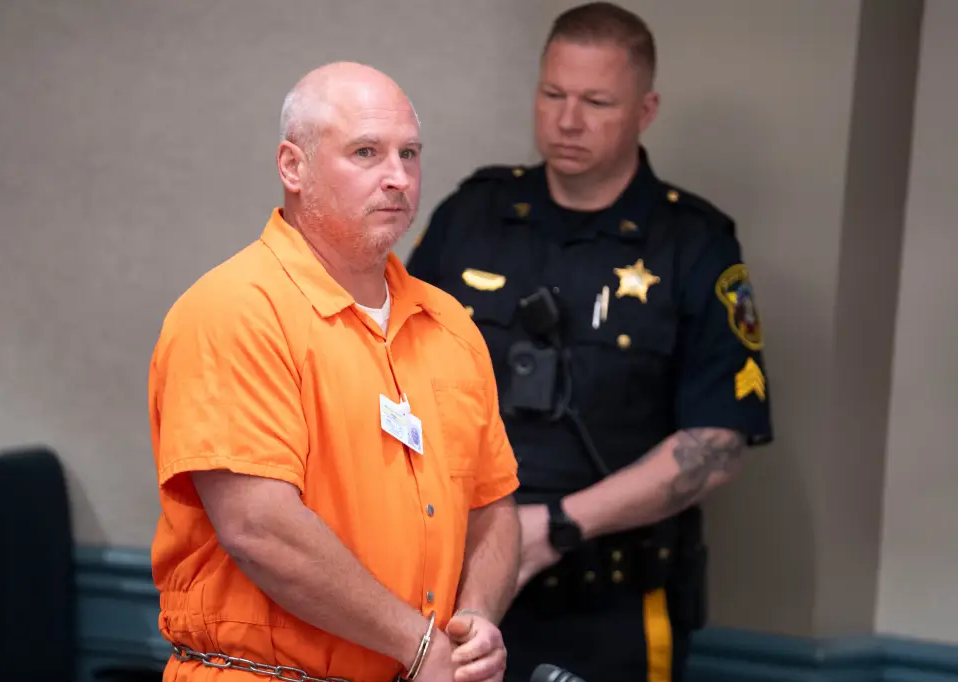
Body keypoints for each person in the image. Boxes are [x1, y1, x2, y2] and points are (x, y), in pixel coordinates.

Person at [406, 3, 774, 681]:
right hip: (447, 585)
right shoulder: (473, 215)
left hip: (611, 604)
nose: (567, 120)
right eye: (553, 95)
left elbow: (718, 446)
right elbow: (386, 375)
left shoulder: (693, 243)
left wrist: (553, 528)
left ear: (646, 108)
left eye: (597, 101)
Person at [148, 62, 521, 682]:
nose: (397, 178)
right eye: (366, 153)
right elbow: (258, 525)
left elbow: (494, 506)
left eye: (409, 154)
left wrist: (472, 626)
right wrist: (420, 645)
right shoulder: (235, 309)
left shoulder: (449, 323)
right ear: (293, 166)